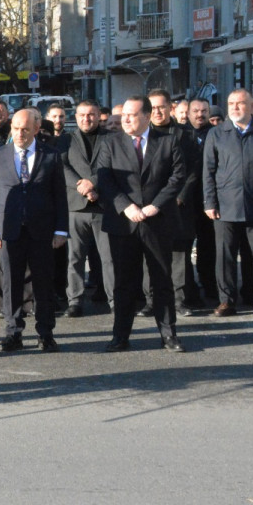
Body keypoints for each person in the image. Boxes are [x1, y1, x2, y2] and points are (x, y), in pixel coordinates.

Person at [95, 97, 187, 352]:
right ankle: (120, 336)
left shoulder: (168, 141)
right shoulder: (110, 143)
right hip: (123, 223)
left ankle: (169, 334)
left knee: (161, 279)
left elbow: (177, 176)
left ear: (147, 116)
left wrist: (155, 205)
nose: (125, 119)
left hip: (157, 221)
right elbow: (105, 179)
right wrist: (127, 206)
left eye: (132, 115)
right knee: (124, 282)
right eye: (124, 114)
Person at [0, 107, 68, 353]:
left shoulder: (51, 156)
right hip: (9, 231)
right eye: (16, 129)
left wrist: (61, 230)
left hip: (42, 231)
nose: (20, 134)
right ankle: (13, 333)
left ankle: (45, 333)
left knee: (43, 283)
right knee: (11, 283)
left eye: (25, 130)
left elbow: (60, 196)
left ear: (36, 130)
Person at [203, 89, 253, 317]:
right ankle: (226, 301)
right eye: (231, 103)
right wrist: (209, 202)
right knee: (225, 256)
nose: (235, 107)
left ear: (250, 106)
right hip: (225, 206)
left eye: (240, 103)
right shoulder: (217, 133)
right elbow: (208, 171)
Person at [147, 89, 200, 317]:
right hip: (148, 205)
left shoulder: (186, 135)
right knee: (148, 254)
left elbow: (193, 171)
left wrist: (180, 195)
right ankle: (150, 300)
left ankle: (179, 300)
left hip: (178, 205)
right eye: (153, 107)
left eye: (161, 106)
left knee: (179, 256)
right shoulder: (141, 135)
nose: (157, 111)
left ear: (170, 107)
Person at [59, 100, 113, 317]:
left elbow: (112, 165)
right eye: (81, 115)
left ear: (99, 115)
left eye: (91, 114)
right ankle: (75, 301)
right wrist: (81, 186)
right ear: (76, 116)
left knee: (108, 258)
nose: (86, 119)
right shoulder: (65, 140)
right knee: (74, 258)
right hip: (76, 207)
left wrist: (93, 183)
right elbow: (62, 166)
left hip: (103, 206)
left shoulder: (111, 138)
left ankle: (114, 299)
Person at [186, 98, 217, 303]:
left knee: (209, 247)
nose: (200, 114)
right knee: (184, 249)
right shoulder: (180, 134)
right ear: (188, 113)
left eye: (204, 111)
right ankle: (189, 291)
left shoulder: (217, 133)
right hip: (186, 201)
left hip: (210, 201)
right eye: (196, 111)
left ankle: (210, 287)